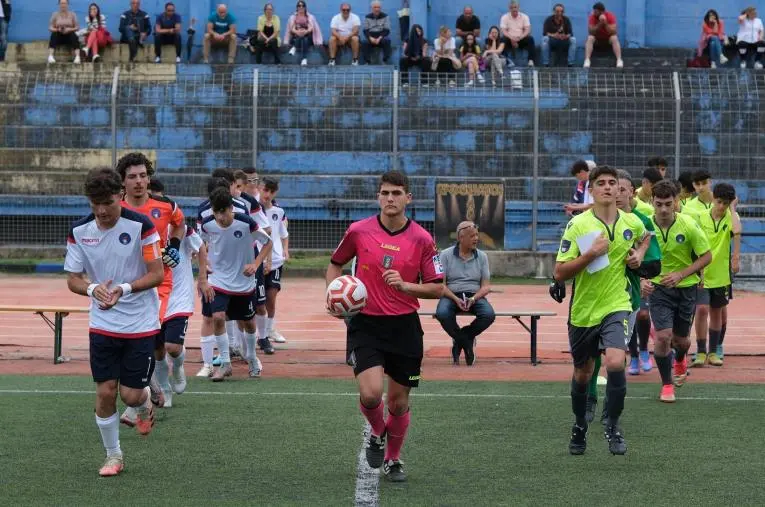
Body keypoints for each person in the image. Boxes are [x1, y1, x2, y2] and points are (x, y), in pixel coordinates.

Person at [326, 170, 444, 482]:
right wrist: (332, 294)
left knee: (398, 401)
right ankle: (378, 432)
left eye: (396, 193)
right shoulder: (358, 231)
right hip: (365, 325)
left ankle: (393, 460)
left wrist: (406, 286)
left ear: (408, 198)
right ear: (378, 197)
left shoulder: (422, 239)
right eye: (385, 193)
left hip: (405, 328)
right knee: (371, 394)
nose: (390, 198)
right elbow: (335, 263)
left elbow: (437, 288)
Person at [65, 167, 164, 476]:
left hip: (140, 323)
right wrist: (94, 289)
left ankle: (144, 403)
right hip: (103, 324)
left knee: (130, 395)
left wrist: (124, 288)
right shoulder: (79, 232)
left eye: (107, 202)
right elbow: (73, 279)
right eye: (95, 203)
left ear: (120, 195)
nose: (101, 210)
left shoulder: (142, 226)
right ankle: (113, 456)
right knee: (106, 391)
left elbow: (157, 273)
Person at [554, 165, 649, 456]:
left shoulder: (631, 221)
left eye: (613, 183)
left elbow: (646, 236)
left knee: (616, 362)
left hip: (616, 305)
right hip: (583, 311)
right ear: (592, 190)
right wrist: (591, 254)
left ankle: (613, 425)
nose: (608, 187)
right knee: (583, 373)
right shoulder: (579, 226)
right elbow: (560, 272)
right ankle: (580, 424)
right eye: (602, 183)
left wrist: (639, 255)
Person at [584, 169, 661, 423]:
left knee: (613, 355)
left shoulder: (641, 224)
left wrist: (639, 266)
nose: (615, 193)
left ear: (628, 192)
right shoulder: (588, 220)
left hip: (625, 299)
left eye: (621, 188)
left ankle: (610, 407)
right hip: (592, 296)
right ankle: (591, 397)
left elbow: (654, 265)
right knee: (593, 354)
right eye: (604, 185)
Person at [117, 152, 185, 425]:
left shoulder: (166, 206)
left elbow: (179, 225)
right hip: (125, 287)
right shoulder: (116, 209)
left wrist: (174, 247)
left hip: (159, 284)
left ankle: (138, 403)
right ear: (122, 181)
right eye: (132, 176)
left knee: (144, 337)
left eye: (143, 175)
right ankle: (154, 385)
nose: (139, 181)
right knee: (137, 344)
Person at [646, 180, 711, 402]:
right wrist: (643, 279)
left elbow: (706, 256)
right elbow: (631, 256)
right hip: (658, 289)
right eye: (658, 204)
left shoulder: (689, 225)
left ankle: (681, 358)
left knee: (681, 341)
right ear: (651, 202)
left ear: (676, 202)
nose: (663, 209)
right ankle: (666, 385)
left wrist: (681, 274)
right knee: (663, 337)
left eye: (668, 204)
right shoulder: (643, 226)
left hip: (686, 289)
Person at [198, 187, 272, 380]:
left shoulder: (246, 222)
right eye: (216, 212)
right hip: (219, 279)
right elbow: (201, 247)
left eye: (224, 211)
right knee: (218, 317)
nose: (220, 217)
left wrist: (256, 264)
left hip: (244, 281)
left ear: (231, 208)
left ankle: (253, 358)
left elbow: (268, 242)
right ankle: (225, 363)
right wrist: (204, 271)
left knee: (248, 322)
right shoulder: (207, 225)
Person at [148, 179, 207, 407]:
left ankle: (180, 366)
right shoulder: (143, 230)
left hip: (179, 294)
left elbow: (200, 247)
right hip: (152, 296)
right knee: (157, 349)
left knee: (173, 347)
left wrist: (202, 278)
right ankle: (164, 389)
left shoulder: (180, 227)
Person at [692, 183, 741, 367]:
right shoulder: (700, 218)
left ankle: (713, 351)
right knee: (702, 310)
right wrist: (698, 269)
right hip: (702, 273)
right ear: (713, 199)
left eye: (726, 204)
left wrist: (736, 257)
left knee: (716, 312)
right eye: (719, 202)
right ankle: (700, 351)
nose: (721, 207)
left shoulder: (731, 217)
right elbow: (695, 244)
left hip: (721, 275)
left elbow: (736, 232)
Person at [435, 221, 495, 366]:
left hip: (474, 295)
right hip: (450, 294)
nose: (476, 239)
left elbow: (486, 287)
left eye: (476, 235)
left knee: (488, 315)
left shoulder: (482, 256)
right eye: (472, 236)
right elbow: (440, 285)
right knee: (442, 313)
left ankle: (462, 338)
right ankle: (467, 342)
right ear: (460, 238)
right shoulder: (444, 255)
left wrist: (473, 299)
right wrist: (455, 299)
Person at [260, 177, 290, 349]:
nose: (267, 194)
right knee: (258, 300)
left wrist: (285, 249)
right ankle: (259, 332)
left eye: (271, 192)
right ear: (259, 188)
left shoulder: (278, 212)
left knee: (271, 297)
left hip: (276, 261)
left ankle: (270, 329)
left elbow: (283, 233)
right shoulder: (253, 210)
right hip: (258, 261)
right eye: (265, 190)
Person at [583, 2, 623, 69]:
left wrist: (605, 23)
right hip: (597, 40)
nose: (594, 13)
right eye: (594, 11)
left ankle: (619, 60)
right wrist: (600, 24)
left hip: (608, 39)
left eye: (596, 11)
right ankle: (587, 60)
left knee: (614, 38)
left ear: (602, 12)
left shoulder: (610, 16)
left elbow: (613, 32)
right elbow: (591, 32)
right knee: (590, 38)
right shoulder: (592, 17)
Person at [285, 1, 323, 67]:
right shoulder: (293, 17)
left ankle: (294, 47)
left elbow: (311, 27)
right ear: (297, 7)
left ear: (305, 7)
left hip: (308, 37)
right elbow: (292, 28)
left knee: (305, 38)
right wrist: (298, 32)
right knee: (303, 38)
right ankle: (304, 59)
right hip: (296, 37)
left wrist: (306, 32)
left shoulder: (310, 17)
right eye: (299, 6)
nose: (301, 7)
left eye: (303, 6)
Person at [500, 1, 536, 67]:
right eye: (512, 7)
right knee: (502, 39)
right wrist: (512, 38)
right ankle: (505, 61)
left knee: (530, 39)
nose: (514, 9)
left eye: (515, 7)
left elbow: (527, 30)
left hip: (521, 38)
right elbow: (503, 31)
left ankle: (531, 60)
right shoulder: (504, 17)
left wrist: (519, 38)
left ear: (518, 8)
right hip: (509, 39)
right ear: (509, 8)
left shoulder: (524, 16)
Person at [48, 0, 81, 65]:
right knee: (54, 34)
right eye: (61, 3)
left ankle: (77, 56)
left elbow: (77, 27)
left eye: (65, 3)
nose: (63, 5)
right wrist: (57, 29)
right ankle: (50, 56)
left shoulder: (72, 14)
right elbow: (50, 27)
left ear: (67, 4)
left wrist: (70, 29)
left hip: (69, 36)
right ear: (59, 4)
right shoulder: (55, 14)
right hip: (59, 36)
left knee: (74, 35)